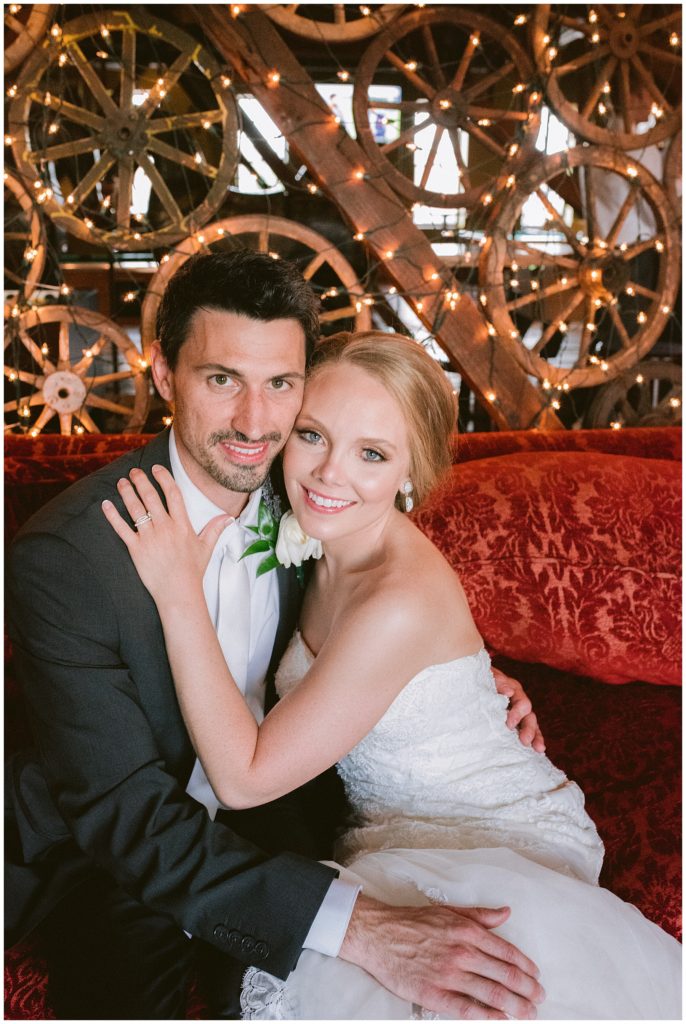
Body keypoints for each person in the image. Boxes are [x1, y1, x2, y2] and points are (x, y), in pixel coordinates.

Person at [6, 250, 546, 1021]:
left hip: (268, 809)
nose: (255, 422)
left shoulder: (311, 497)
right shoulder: (71, 556)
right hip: (110, 841)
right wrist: (354, 927)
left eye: (281, 385)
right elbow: (127, 818)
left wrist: (462, 684)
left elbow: (393, 614)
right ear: (164, 374)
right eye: (222, 379)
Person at [105, 328, 682, 1020]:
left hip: (493, 841)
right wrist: (474, 681)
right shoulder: (318, 533)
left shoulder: (396, 601)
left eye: (372, 454)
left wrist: (178, 593)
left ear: (412, 471)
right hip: (385, 834)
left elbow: (245, 778)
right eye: (313, 435)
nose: (329, 474)